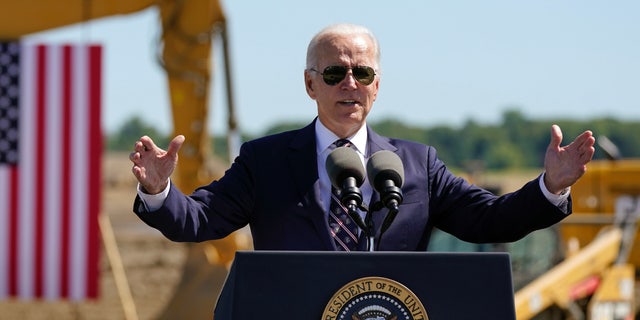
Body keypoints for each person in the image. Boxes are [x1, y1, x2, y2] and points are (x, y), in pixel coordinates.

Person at [130, 23, 595, 251]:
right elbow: (199, 221)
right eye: (334, 72)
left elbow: (490, 221)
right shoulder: (264, 160)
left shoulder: (417, 164)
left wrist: (551, 186)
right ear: (310, 84)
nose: (349, 83)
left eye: (362, 72)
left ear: (377, 84)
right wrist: (158, 190)